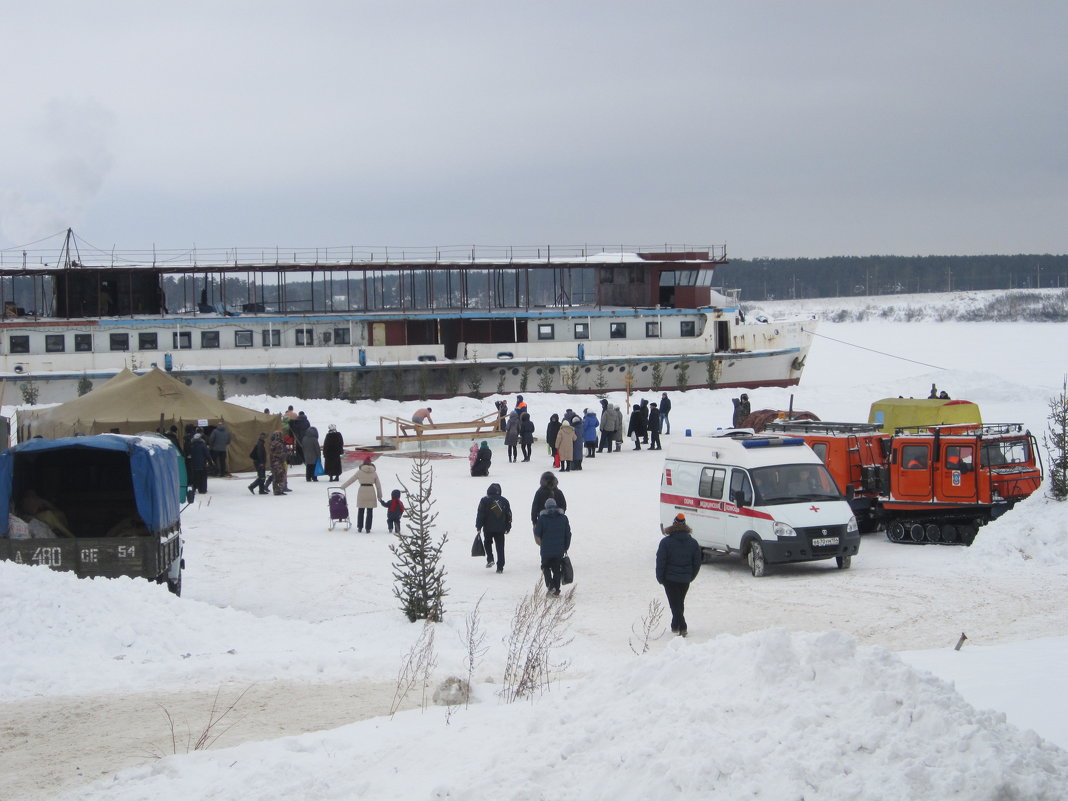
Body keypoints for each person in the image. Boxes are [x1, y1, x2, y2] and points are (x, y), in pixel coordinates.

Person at [656, 513, 702, 637]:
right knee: (679, 603)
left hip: (669, 579)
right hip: (685, 579)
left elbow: (661, 561)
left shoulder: (666, 542)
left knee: (675, 604)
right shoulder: (693, 543)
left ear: (674, 524)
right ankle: (675, 625)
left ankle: (682, 626)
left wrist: (660, 577)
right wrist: (691, 576)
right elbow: (697, 562)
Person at [534, 497, 572, 597]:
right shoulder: (563, 518)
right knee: (556, 569)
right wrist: (566, 546)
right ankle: (556, 590)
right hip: (559, 549)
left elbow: (537, 533)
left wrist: (540, 543)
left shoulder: (542, 519)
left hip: (546, 549)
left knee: (545, 567)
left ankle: (551, 586)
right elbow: (568, 534)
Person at [476, 482, 512, 573]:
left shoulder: (484, 500)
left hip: (488, 528)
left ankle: (490, 558)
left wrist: (479, 526)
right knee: (500, 547)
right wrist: (508, 526)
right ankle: (500, 567)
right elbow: (509, 515)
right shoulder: (504, 501)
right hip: (500, 528)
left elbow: (481, 514)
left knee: (487, 542)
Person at [341, 457, 384, 532]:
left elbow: (351, 480)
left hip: (362, 491)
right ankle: (368, 528)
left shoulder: (359, 472)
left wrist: (343, 486)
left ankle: (360, 527)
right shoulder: (374, 472)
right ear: (371, 463)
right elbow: (378, 485)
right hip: (371, 491)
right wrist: (379, 496)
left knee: (361, 510)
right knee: (370, 511)